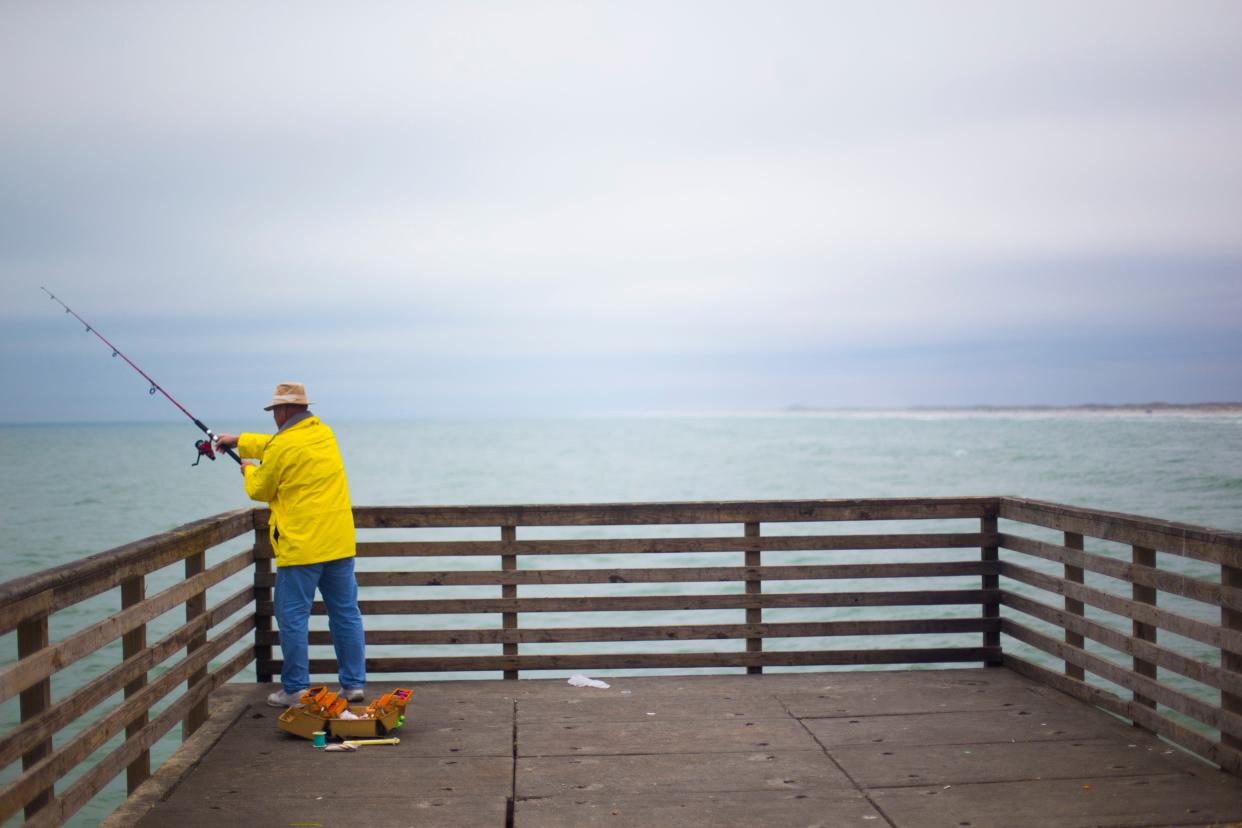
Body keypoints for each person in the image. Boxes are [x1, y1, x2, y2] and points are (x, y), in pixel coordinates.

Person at [215, 382, 366, 708]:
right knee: (345, 614)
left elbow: (261, 489)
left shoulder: (283, 446)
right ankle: (353, 685)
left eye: (274, 412)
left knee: (292, 617)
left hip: (302, 547)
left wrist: (248, 469)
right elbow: (278, 445)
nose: (274, 417)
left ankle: (296, 688)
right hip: (338, 541)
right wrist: (239, 441)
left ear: (281, 411)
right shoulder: (324, 434)